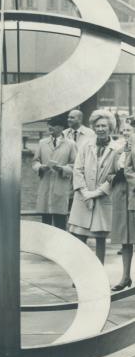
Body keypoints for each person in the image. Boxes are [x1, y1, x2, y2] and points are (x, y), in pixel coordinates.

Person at [68, 110, 118, 265]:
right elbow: (77, 170)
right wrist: (84, 193)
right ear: (93, 127)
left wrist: (95, 193)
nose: (100, 129)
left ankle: (99, 275)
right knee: (79, 238)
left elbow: (115, 176)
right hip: (82, 198)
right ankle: (80, 274)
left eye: (104, 125)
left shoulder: (117, 149)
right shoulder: (85, 145)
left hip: (102, 199)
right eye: (97, 126)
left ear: (110, 128)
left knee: (100, 238)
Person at [32, 115, 77, 230]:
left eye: (54, 125)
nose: (50, 127)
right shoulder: (42, 143)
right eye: (49, 125)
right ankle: (43, 247)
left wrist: (62, 169)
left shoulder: (70, 144)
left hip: (61, 186)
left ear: (61, 127)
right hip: (45, 185)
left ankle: (60, 246)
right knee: (45, 221)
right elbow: (35, 162)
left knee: (60, 221)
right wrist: (41, 168)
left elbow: (75, 165)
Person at [111, 123, 135, 290]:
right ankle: (125, 277)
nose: (127, 133)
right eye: (125, 130)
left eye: (130, 129)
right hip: (124, 198)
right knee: (126, 239)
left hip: (132, 195)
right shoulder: (118, 151)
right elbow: (109, 173)